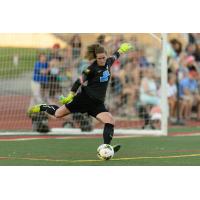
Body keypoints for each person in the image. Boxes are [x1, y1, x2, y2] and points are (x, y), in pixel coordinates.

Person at [28, 43, 133, 153]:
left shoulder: (108, 62)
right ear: (95, 58)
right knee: (58, 114)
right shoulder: (90, 69)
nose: (102, 60)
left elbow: (115, 55)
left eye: (103, 57)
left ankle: (106, 147)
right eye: (99, 58)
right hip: (83, 99)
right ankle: (43, 107)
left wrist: (121, 49)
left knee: (110, 121)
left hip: (97, 104)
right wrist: (70, 95)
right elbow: (79, 81)